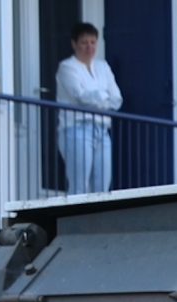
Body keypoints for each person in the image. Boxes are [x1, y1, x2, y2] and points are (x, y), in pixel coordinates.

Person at [54, 23, 121, 195]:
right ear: (74, 44)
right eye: (84, 42)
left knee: (102, 186)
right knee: (79, 185)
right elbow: (81, 96)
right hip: (76, 129)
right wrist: (103, 96)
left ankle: (99, 221)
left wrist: (99, 97)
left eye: (93, 42)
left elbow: (117, 98)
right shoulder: (67, 67)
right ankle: (76, 220)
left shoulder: (102, 66)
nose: (89, 47)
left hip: (102, 130)